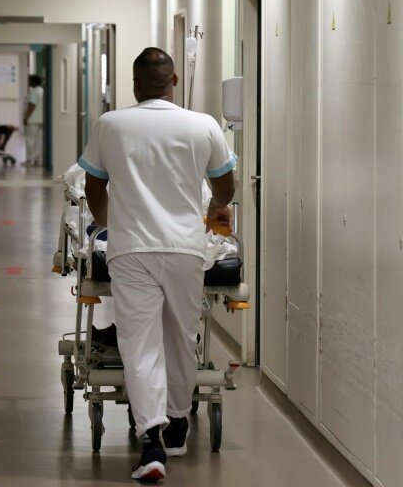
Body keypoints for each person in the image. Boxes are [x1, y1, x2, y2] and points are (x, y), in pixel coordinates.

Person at [78, 47, 236, 481]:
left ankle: (150, 439)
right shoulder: (202, 125)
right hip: (186, 248)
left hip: (130, 250)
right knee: (181, 337)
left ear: (134, 84)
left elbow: (94, 187)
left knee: (138, 342)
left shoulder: (111, 124)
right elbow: (225, 186)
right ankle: (179, 422)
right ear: (174, 82)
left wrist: (109, 225)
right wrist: (215, 209)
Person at [22, 74, 44, 166]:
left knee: (30, 140)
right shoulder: (42, 91)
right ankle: (37, 160)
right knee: (38, 140)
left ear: (33, 82)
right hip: (40, 120)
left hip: (32, 120)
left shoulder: (34, 91)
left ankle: (29, 160)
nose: (28, 82)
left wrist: (26, 117)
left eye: (29, 80)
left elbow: (31, 105)